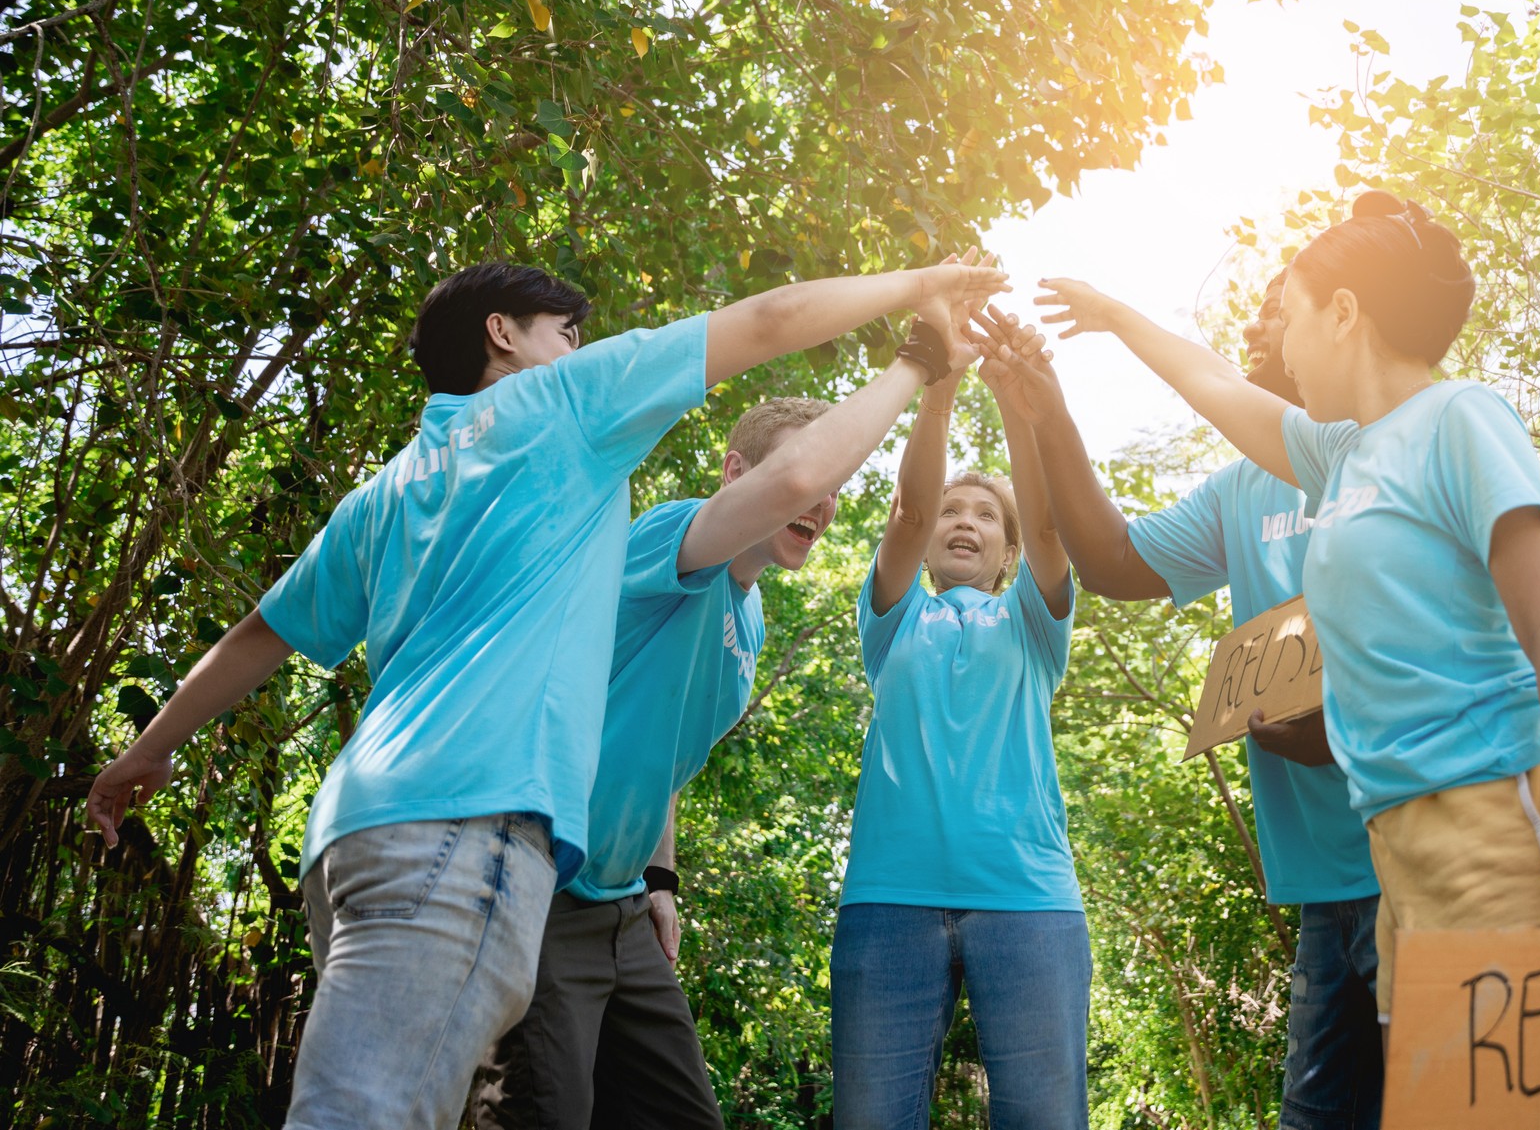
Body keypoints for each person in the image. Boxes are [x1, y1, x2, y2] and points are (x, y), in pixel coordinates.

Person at [84, 256, 1006, 1130]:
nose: (580, 347)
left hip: (359, 831)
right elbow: (772, 351)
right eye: (566, 329)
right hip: (469, 826)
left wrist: (147, 747)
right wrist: (922, 329)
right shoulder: (563, 406)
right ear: (505, 336)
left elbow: (261, 634)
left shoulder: (388, 488)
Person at [1024, 190, 1540, 1033]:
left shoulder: (1460, 418)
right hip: (1400, 846)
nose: (1280, 348)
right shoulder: (1342, 456)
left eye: (1289, 318)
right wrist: (1112, 315)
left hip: (1501, 816)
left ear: (1343, 313)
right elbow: (1213, 381)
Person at [471, 315, 973, 1130]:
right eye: (805, 479)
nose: (822, 500)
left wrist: (661, 879)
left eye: (833, 488)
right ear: (738, 471)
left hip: (624, 906)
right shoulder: (670, 538)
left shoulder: (755, 621)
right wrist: (919, 367)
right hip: (540, 885)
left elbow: (661, 756)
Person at [971, 304, 1383, 1129]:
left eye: (1287, 300)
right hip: (1324, 885)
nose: (1268, 321)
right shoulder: (1244, 487)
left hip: (1418, 858)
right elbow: (1112, 561)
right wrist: (1047, 412)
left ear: (1343, 321)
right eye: (1262, 312)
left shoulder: (1393, 454)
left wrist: (1343, 729)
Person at [829, 315, 1085, 1128]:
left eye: (984, 515)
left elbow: (1050, 527)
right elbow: (905, 512)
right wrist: (939, 389)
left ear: (1006, 552)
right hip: (887, 900)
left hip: (1029, 901)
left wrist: (1016, 403)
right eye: (952, 511)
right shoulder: (894, 618)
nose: (963, 520)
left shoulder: (1032, 624)